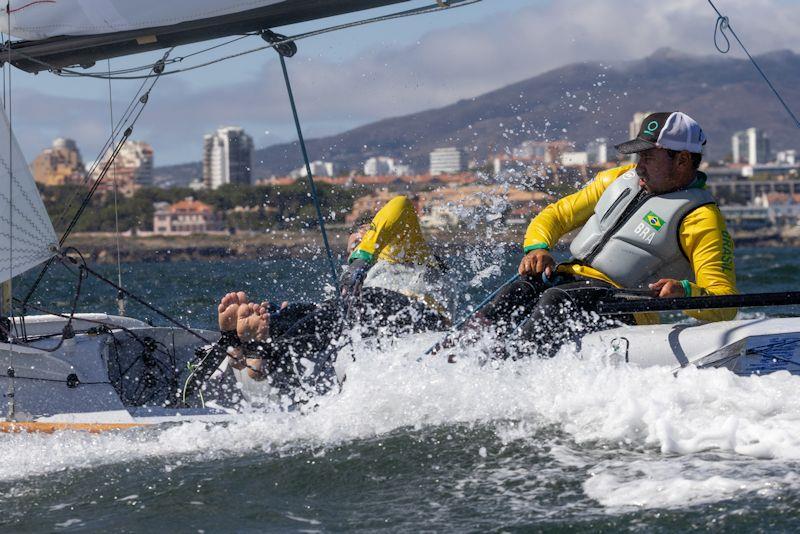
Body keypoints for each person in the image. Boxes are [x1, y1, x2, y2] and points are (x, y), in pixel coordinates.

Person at [455, 111, 738, 359]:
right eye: (639, 155)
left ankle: (512, 369)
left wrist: (684, 292)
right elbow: (556, 215)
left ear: (682, 160)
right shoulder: (616, 179)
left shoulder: (702, 219)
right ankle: (455, 355)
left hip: (624, 305)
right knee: (521, 288)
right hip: (571, 283)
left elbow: (725, 303)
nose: (639, 165)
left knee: (556, 299)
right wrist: (538, 249)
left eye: (649, 157)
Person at [212, 195, 450, 401]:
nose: (353, 252)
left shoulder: (407, 249)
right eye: (350, 250)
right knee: (305, 310)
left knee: (358, 302)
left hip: (424, 318)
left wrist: (361, 259)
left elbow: (400, 205)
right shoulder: (358, 284)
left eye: (360, 241)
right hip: (376, 325)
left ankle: (263, 354)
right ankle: (250, 343)